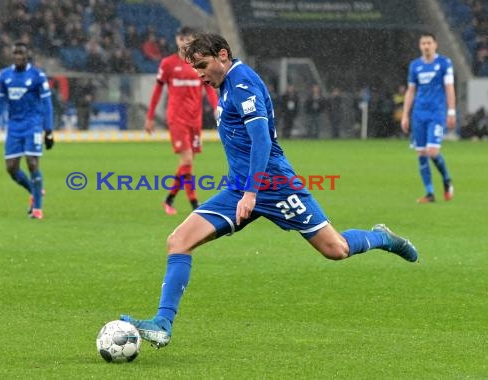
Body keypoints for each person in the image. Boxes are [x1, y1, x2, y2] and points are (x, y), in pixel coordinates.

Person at [120, 33, 419, 349]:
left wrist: (252, 192)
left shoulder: (242, 82)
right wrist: (244, 190)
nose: (199, 74)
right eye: (195, 69)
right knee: (179, 241)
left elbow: (261, 140)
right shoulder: (223, 86)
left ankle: (383, 238)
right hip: (239, 187)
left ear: (223, 55)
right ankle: (162, 324)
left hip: (273, 184)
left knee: (336, 250)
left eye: (203, 65)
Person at [144, 26, 218, 215]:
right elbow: (157, 90)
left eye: (189, 38)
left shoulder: (199, 63)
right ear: (177, 40)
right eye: (181, 38)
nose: (185, 41)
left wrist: (218, 108)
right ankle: (194, 204)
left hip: (195, 119)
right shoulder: (168, 63)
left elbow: (209, 88)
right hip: (177, 119)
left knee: (188, 162)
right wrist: (150, 116)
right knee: (186, 159)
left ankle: (170, 199)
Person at [0, 41, 54, 220]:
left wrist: (49, 130)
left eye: (21, 54)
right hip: (14, 126)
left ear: (27, 55)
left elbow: (47, 104)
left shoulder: (37, 76)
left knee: (32, 164)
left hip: (33, 125)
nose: (18, 57)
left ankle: (37, 209)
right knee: (11, 168)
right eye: (15, 53)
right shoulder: (5, 76)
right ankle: (35, 191)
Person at [401, 32, 455, 203]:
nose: (426, 46)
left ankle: (446, 180)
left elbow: (449, 88)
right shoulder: (415, 66)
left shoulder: (444, 63)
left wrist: (451, 111)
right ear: (420, 45)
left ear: (435, 44)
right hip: (418, 114)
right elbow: (411, 91)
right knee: (421, 153)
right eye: (423, 43)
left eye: (429, 43)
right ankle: (430, 193)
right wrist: (405, 115)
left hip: (436, 113)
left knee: (432, 152)